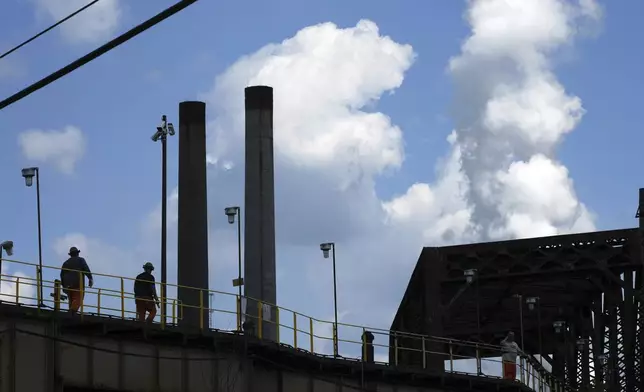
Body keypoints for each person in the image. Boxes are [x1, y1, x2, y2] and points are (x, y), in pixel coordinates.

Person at [60, 246, 93, 313]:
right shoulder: (81, 260)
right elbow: (86, 269)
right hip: (77, 284)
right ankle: (72, 312)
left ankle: (71, 312)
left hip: (67, 285)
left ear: (70, 254)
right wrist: (90, 278)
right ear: (77, 253)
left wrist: (64, 287)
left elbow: (62, 275)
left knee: (71, 300)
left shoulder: (65, 263)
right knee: (78, 299)